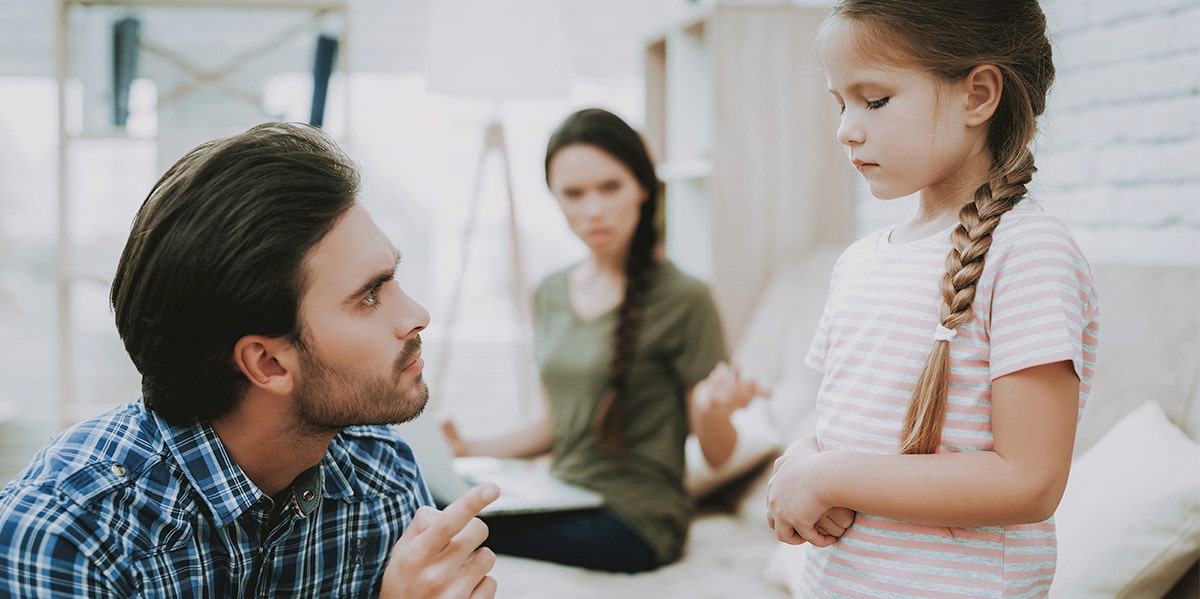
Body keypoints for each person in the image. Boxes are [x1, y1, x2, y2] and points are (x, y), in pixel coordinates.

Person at [0, 122, 499, 598]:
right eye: (369, 295)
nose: (418, 315)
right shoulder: (70, 533)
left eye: (392, 279)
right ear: (267, 364)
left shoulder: (381, 471)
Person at [765, 1, 1101, 596]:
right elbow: (842, 427)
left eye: (874, 99)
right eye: (839, 103)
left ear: (978, 95)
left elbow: (1030, 482)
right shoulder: (859, 262)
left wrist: (830, 475)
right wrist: (802, 463)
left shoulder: (1029, 251)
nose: (846, 128)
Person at [441, 107, 762, 573]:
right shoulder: (550, 292)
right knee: (426, 500)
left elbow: (717, 453)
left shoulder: (685, 298)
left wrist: (715, 410)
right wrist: (469, 449)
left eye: (610, 187)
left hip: (638, 520)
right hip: (561, 496)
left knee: (445, 526)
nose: (592, 210)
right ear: (555, 198)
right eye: (573, 193)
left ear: (643, 188)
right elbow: (556, 428)